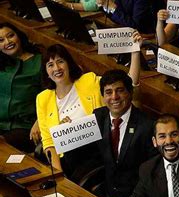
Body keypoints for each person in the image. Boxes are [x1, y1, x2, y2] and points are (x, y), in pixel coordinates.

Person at [36, 32, 142, 182]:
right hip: (66, 159)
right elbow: (48, 142)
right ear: (46, 71)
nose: (56, 68)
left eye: (60, 62)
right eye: (50, 65)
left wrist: (135, 53)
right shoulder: (42, 99)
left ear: (69, 64)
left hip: (98, 151)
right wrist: (58, 173)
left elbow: (126, 83)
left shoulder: (89, 81)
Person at [93, 69, 157, 197]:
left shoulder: (147, 126)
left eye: (120, 90)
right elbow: (83, 154)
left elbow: (153, 173)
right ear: (103, 96)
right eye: (108, 92)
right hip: (107, 194)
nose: (114, 97)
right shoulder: (98, 117)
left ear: (130, 93)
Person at [0, 22, 42, 153]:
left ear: (19, 36)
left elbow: (53, 94)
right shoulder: (1, 64)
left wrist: (40, 121)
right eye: (1, 40)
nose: (7, 42)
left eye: (10, 36)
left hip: (26, 127)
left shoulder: (40, 62)